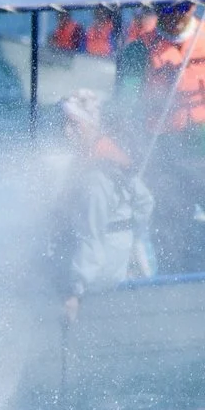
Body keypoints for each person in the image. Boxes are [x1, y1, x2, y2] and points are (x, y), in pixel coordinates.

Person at [117, 0, 205, 273]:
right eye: (165, 9)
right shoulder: (138, 51)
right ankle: (179, 291)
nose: (173, 15)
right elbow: (123, 110)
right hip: (166, 165)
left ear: (193, 7)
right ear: (156, 10)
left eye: (181, 8)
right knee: (170, 248)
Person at [48, 89, 154, 317]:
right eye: (64, 124)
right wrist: (133, 240)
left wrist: (75, 292)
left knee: (36, 279)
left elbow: (91, 239)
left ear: (90, 125)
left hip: (100, 273)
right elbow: (145, 201)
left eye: (74, 125)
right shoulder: (106, 159)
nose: (67, 133)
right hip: (116, 259)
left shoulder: (94, 181)